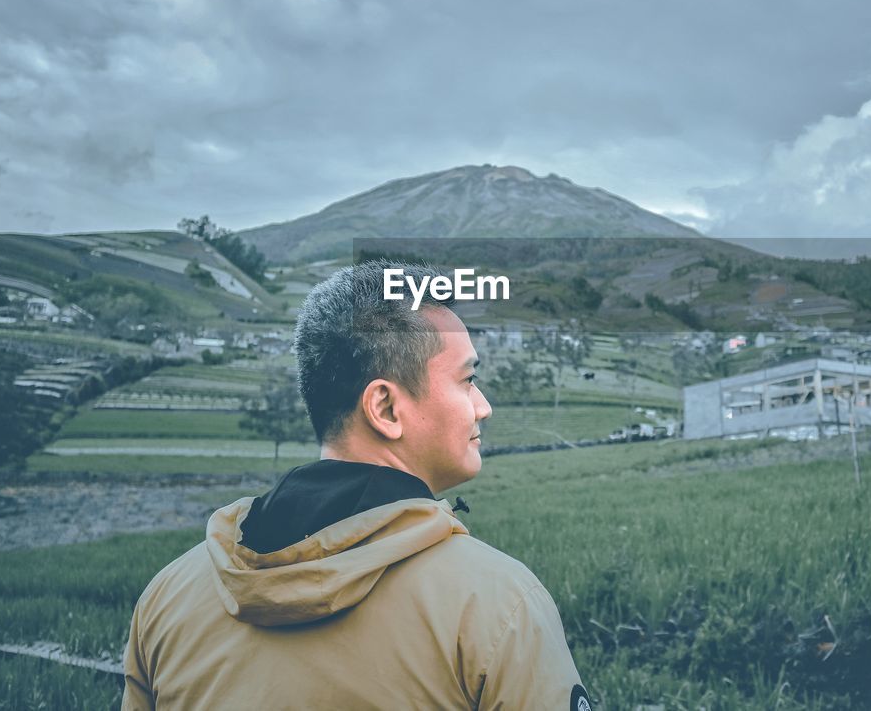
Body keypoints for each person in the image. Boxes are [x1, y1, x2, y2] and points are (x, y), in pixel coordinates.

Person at [122, 260, 589, 710]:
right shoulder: (499, 603)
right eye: (468, 380)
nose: (483, 406)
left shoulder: (169, 594)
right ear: (385, 409)